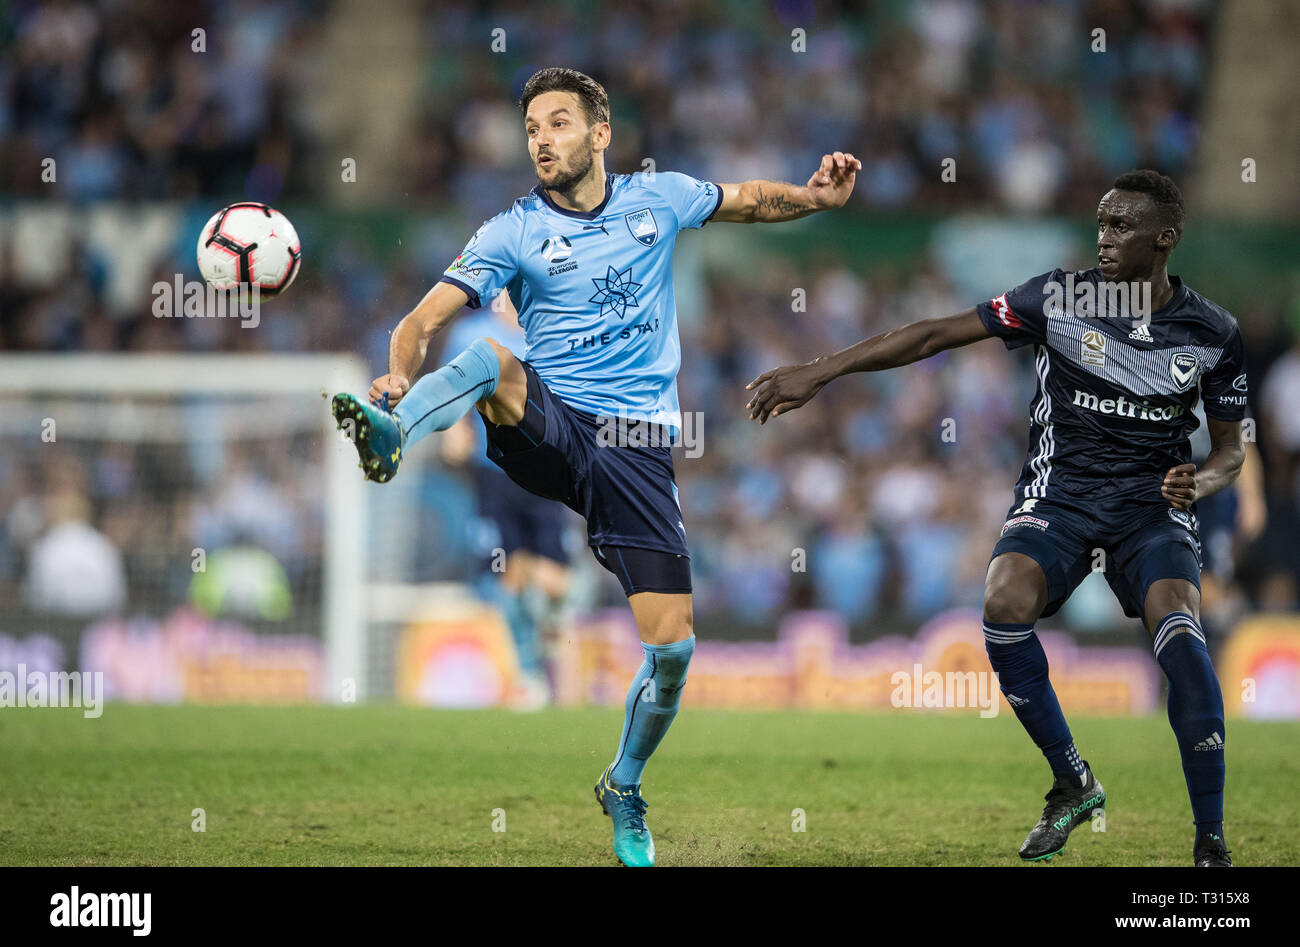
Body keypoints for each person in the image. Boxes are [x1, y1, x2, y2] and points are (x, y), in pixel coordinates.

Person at [332, 67, 860, 866]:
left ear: (600, 134)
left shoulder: (660, 198)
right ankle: (393, 430)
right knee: (488, 356)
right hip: (552, 422)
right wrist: (399, 374)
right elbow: (422, 318)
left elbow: (749, 196)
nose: (542, 140)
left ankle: (623, 783)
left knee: (674, 651)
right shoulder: (508, 232)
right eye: (533, 128)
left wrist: (813, 198)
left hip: (633, 444)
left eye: (559, 124)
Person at [746, 170, 1245, 867]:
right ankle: (1072, 780)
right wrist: (822, 371)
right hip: (1060, 495)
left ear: (1165, 238)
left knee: (1184, 643)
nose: (1104, 238)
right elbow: (933, 337)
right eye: (1101, 223)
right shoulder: (1058, 297)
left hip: (1149, 506)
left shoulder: (1214, 332)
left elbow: (1230, 451)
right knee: (1005, 598)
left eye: (1122, 226)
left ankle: (1211, 847)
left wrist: (1205, 479)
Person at [439, 289, 573, 710]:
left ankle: (547, 619)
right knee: (509, 573)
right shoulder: (472, 334)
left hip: (548, 469)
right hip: (494, 471)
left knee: (555, 581)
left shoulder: (554, 332)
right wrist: (455, 428)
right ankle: (528, 675)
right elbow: (452, 387)